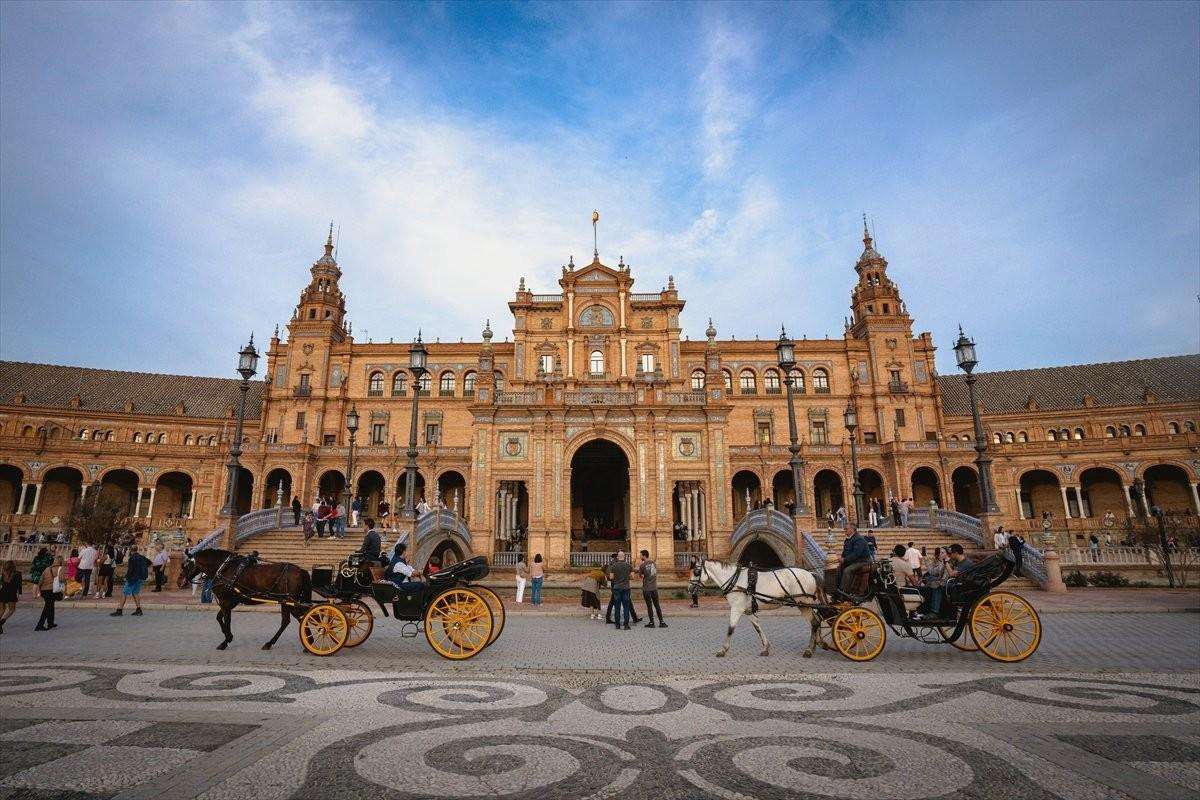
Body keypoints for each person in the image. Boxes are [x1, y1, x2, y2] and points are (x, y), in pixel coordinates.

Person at [110, 544, 149, 617]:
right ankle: (139, 610)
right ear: (137, 550)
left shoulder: (131, 558)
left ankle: (119, 610)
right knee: (135, 593)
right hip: (140, 578)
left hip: (133, 578)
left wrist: (127, 577)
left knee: (124, 593)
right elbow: (149, 562)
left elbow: (130, 570)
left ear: (131, 551)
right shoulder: (142, 557)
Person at [839, 524, 872, 596]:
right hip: (855, 560)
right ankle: (838, 588)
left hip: (863, 561)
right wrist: (842, 558)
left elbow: (856, 554)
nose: (844, 530)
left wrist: (845, 559)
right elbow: (845, 551)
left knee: (847, 570)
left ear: (852, 529)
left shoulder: (859, 539)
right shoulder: (848, 539)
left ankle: (844, 592)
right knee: (839, 568)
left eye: (846, 529)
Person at [638, 550, 666, 628]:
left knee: (649, 606)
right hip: (654, 588)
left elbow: (641, 576)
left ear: (644, 556)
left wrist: (642, 574)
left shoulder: (642, 565)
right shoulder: (653, 563)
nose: (640, 556)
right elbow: (655, 573)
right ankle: (662, 622)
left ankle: (651, 623)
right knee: (657, 605)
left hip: (646, 589)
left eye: (641, 555)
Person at [35, 555, 63, 631]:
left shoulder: (47, 569)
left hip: (44, 590)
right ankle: (39, 625)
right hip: (52, 590)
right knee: (47, 607)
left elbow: (41, 580)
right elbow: (61, 580)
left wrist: (39, 589)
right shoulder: (60, 569)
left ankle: (50, 622)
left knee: (50, 605)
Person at [607, 550, 633, 630]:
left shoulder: (613, 566)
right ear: (624, 557)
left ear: (618, 557)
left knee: (617, 607)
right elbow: (632, 577)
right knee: (626, 607)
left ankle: (617, 625)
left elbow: (611, 577)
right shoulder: (629, 566)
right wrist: (626, 577)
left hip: (616, 588)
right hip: (626, 588)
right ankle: (626, 625)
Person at [0, 560, 21, 634]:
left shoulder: (3, 573)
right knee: (12, 609)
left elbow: (2, 583)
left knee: (2, 609)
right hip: (11, 593)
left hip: (2, 592)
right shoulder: (17, 574)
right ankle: (2, 621)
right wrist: (19, 594)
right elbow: (19, 585)